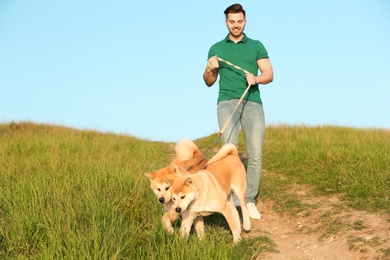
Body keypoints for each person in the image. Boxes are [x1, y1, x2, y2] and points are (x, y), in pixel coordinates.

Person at [203, 3, 274, 219]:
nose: (236, 25)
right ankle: (229, 200)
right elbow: (208, 82)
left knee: (255, 153)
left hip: (252, 103)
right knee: (228, 151)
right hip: (226, 102)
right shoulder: (216, 48)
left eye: (239, 21)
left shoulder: (256, 46)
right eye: (232, 22)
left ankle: (249, 200)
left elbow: (269, 74)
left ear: (245, 21)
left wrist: (256, 78)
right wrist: (209, 68)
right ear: (226, 23)